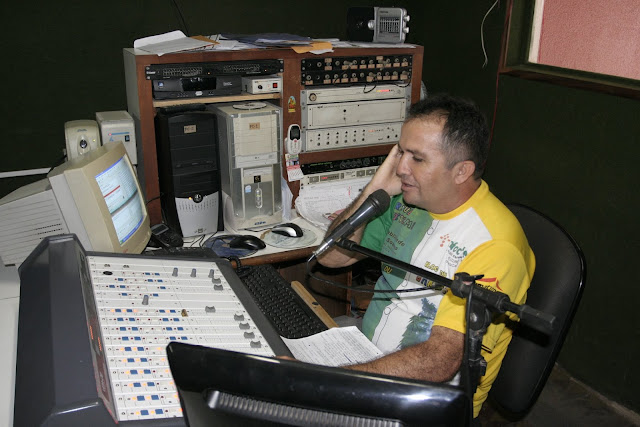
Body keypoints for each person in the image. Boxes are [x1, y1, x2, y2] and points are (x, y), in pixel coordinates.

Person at [317, 93, 535, 418]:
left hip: (426, 401)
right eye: (400, 152)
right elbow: (331, 258)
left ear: (461, 171)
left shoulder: (494, 245)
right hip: (369, 359)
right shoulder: (408, 202)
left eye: (417, 159)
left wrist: (330, 383)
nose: (400, 168)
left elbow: (439, 361)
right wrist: (374, 190)